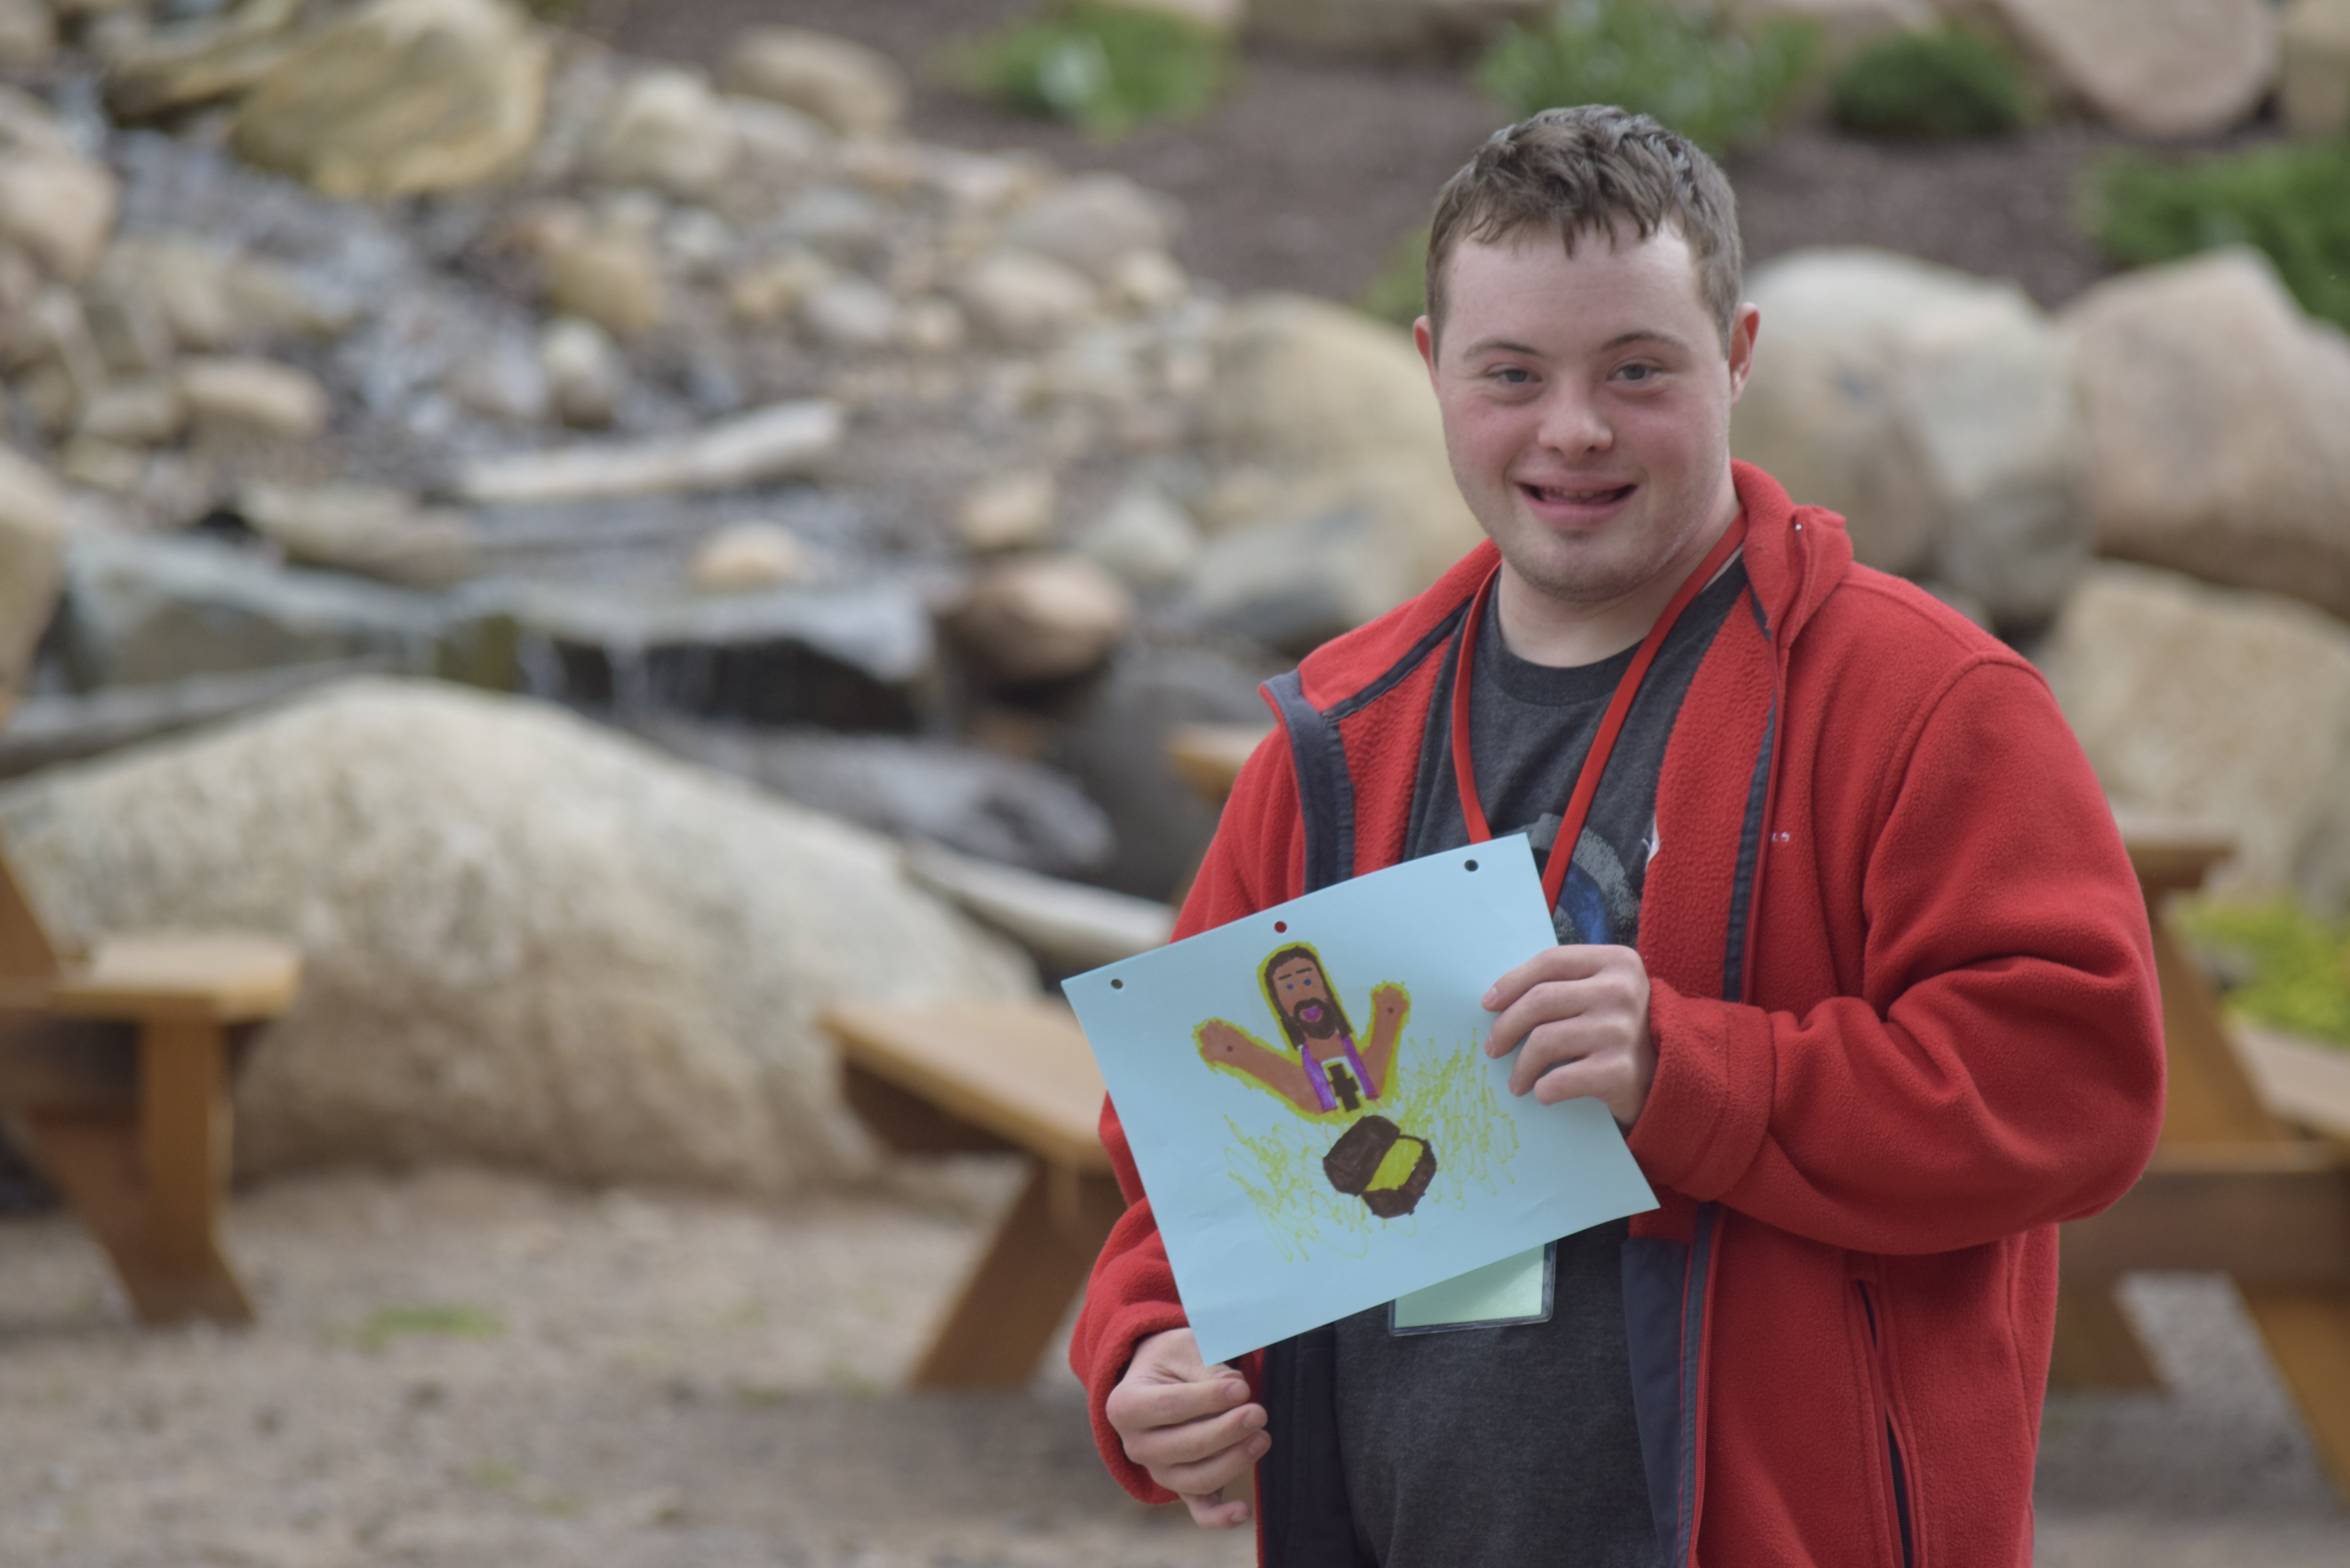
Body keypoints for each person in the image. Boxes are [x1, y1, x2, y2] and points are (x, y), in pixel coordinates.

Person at [1070, 105, 2165, 1567]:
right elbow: (1186, 1153)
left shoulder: (1930, 701)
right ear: (1431, 372)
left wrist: (1693, 1074)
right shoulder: (1335, 738)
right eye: (1511, 374)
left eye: (1637, 372)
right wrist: (1148, 1347)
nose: (1572, 429)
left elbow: (2077, 1081)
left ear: (1738, 356)